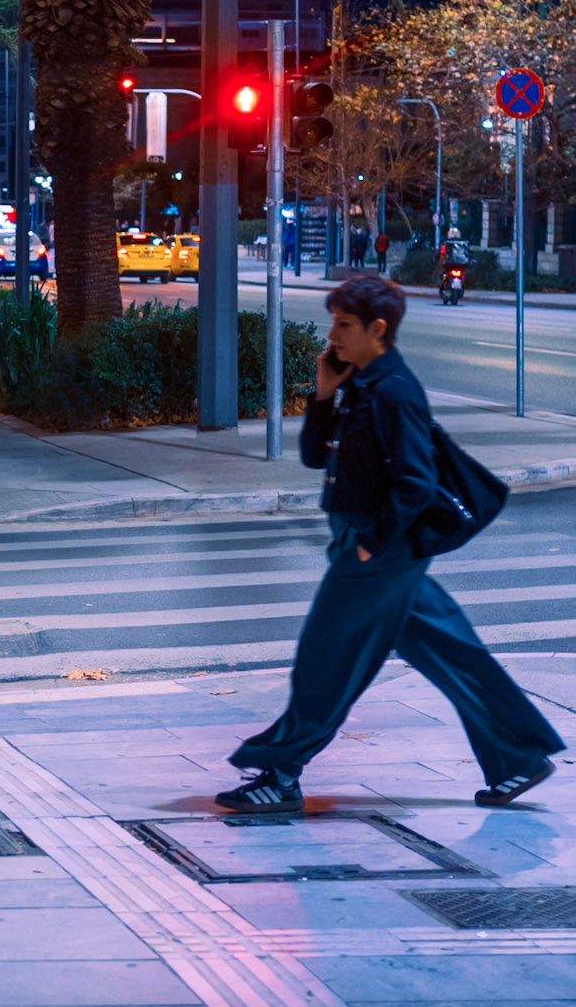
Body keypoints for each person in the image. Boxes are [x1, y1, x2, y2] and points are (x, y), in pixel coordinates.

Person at [216, 273, 563, 815]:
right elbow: (315, 457)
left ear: (378, 329)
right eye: (334, 321)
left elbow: (416, 482)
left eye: (344, 324)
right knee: (453, 651)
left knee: (324, 660)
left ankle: (281, 773)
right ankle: (520, 754)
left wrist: (369, 545)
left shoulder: (394, 392)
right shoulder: (362, 382)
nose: (333, 334)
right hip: (375, 545)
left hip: (380, 549)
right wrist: (325, 395)